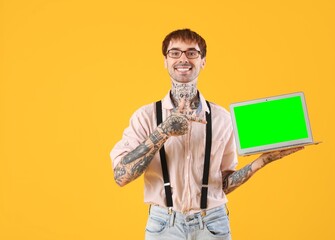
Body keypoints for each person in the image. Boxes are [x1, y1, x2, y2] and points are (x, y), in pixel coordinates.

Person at [110, 28, 303, 240]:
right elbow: (121, 176)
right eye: (175, 52)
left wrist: (262, 161)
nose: (183, 58)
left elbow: (222, 185)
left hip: (212, 224)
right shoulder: (145, 116)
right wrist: (163, 131)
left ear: (203, 61)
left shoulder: (222, 118)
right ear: (165, 61)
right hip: (164, 225)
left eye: (192, 52)